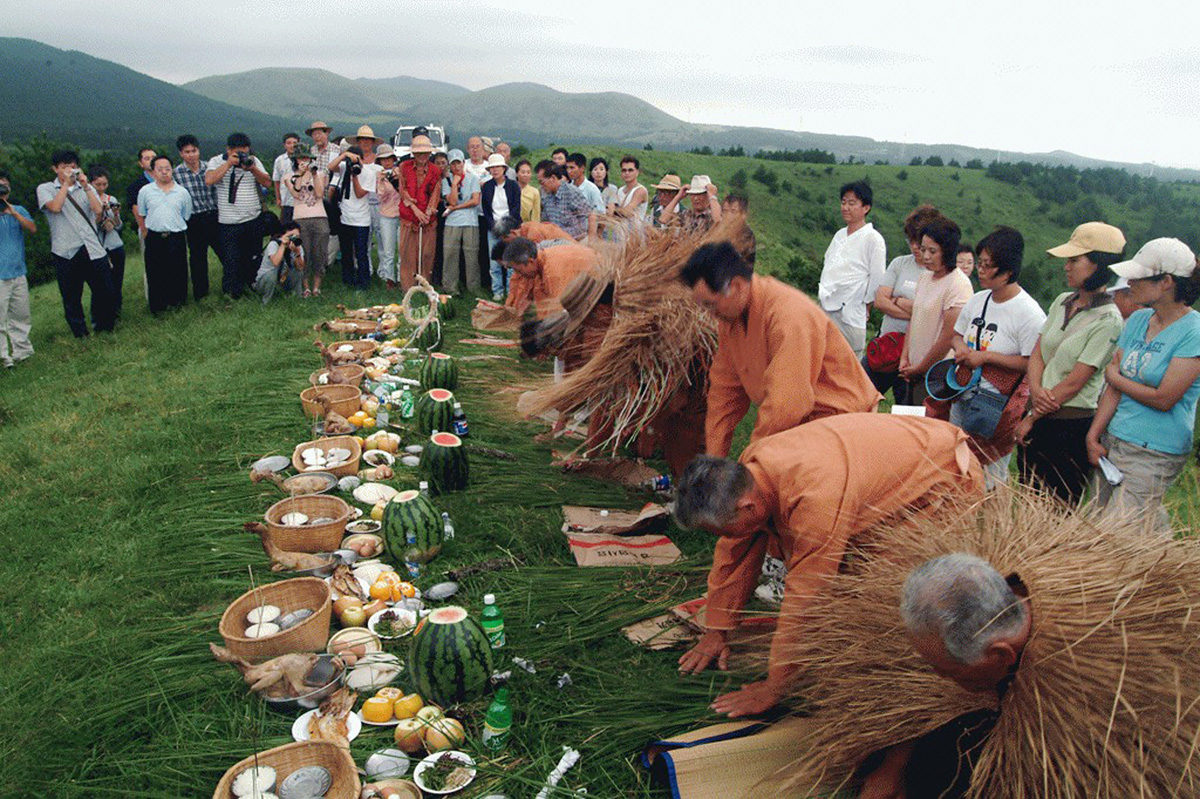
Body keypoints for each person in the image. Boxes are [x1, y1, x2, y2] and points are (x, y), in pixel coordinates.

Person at [770, 490, 1200, 799]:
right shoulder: (997, 600)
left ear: (999, 655)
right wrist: (893, 765)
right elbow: (932, 693)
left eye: (946, 671)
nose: (937, 678)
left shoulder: (1098, 711)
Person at [673, 415, 983, 718]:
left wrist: (776, 685)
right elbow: (735, 550)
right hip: (899, 463)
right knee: (851, 583)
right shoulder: (752, 469)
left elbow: (807, 596)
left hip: (944, 478)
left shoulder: (814, 496)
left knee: (883, 594)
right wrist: (717, 628)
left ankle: (915, 689)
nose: (726, 539)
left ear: (748, 507)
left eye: (725, 530)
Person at [679, 242, 881, 457]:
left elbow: (788, 404)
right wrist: (714, 458)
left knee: (773, 482)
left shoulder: (790, 316)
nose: (709, 314)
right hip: (800, 422)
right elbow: (724, 392)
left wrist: (752, 460)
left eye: (711, 304)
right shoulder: (730, 319)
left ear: (736, 286)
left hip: (840, 420)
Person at [1086, 238, 1200, 534]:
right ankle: (1165, 568)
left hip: (1154, 451)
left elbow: (1164, 398)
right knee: (1094, 523)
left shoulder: (1194, 332)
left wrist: (1117, 378)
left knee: (1113, 536)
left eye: (1138, 277)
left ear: (1166, 282)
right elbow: (1113, 389)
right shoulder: (1138, 320)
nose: (1129, 283)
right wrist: (1095, 435)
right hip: (1115, 440)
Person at [1015, 222, 1125, 504]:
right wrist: (1036, 391)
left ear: (1099, 265)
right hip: (1039, 409)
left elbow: (1076, 381)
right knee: (1028, 496)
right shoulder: (1063, 300)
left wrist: (1032, 417)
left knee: (1057, 504)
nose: (1067, 266)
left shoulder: (1108, 319)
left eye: (1075, 260)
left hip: (1069, 424)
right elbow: (1039, 352)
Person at [946, 226, 1046, 487]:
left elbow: (1030, 362)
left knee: (990, 473)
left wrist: (986, 358)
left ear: (1008, 271)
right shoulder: (979, 300)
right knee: (956, 458)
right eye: (980, 263)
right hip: (963, 392)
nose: (981, 270)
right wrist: (961, 349)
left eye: (988, 266)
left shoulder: (1029, 313)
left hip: (997, 404)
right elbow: (956, 334)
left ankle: (990, 521)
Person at [864, 205, 941, 404]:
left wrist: (896, 300)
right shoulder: (900, 263)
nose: (915, 247)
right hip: (886, 346)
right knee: (859, 395)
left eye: (920, 242)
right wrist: (916, 310)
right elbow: (881, 301)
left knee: (906, 410)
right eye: (911, 240)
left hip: (915, 357)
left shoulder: (940, 275)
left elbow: (937, 316)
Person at [37, 149, 116, 337]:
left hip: (92, 247)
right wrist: (66, 184)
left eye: (73, 166)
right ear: (55, 169)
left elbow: (98, 211)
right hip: (65, 250)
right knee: (72, 295)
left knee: (104, 289)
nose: (70, 170)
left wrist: (87, 186)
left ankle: (104, 327)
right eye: (64, 167)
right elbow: (55, 207)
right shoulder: (45, 188)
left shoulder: (85, 187)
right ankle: (80, 333)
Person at [898, 215, 973, 403]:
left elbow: (949, 336)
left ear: (947, 251)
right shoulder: (925, 277)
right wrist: (905, 357)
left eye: (933, 251)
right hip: (914, 369)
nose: (926, 256)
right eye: (923, 250)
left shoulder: (958, 284)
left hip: (936, 375)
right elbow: (915, 321)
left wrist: (922, 368)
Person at [818, 181, 887, 357]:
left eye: (852, 203)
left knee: (846, 369)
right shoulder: (839, 235)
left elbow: (878, 279)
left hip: (850, 313)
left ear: (866, 207)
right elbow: (828, 265)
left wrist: (866, 306)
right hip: (826, 308)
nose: (845, 207)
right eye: (843, 202)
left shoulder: (873, 239)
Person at [205, 133, 271, 298]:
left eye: (245, 151)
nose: (242, 155)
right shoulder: (216, 161)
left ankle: (253, 286)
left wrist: (252, 168)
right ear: (228, 150)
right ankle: (231, 293)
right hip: (228, 222)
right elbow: (209, 180)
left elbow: (267, 182)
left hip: (252, 219)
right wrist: (228, 164)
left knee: (254, 256)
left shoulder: (253, 160)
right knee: (231, 260)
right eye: (238, 152)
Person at [137, 155, 193, 314]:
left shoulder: (182, 192)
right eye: (160, 169)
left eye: (167, 169)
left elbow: (186, 214)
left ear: (172, 170)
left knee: (178, 271)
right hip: (154, 236)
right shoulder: (145, 191)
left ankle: (178, 304)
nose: (164, 172)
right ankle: (157, 307)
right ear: (153, 172)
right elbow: (142, 212)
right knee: (155, 271)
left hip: (176, 236)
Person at [500, 236, 598, 317]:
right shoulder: (540, 263)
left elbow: (558, 310)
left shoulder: (552, 271)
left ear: (530, 261)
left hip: (599, 282)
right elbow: (533, 296)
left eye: (518, 270)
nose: (519, 274)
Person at [0, 171, 37, 368]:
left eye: (4, 187)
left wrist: (13, 213)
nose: (2, 191)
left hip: (18, 271)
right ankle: (4, 357)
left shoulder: (18, 210)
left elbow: (32, 228)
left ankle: (22, 351)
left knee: (21, 314)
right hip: (0, 275)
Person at [174, 135, 217, 301]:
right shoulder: (177, 174)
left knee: (224, 251)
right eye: (187, 152)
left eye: (194, 151)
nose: (191, 155)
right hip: (194, 219)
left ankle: (233, 286)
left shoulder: (209, 168)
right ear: (181, 154)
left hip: (213, 215)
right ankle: (201, 294)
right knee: (198, 257)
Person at [397, 134, 441, 290]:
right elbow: (403, 192)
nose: (422, 156)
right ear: (413, 154)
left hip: (428, 221)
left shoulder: (435, 170)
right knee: (408, 256)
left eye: (425, 153)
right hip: (409, 218)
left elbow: (435, 193)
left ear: (430, 154)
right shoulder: (404, 167)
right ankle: (408, 290)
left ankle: (424, 288)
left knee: (427, 255)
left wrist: (428, 213)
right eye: (418, 153)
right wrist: (416, 211)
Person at [287, 148, 328, 298]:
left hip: (319, 217)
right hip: (300, 219)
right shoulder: (289, 176)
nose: (304, 161)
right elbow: (296, 193)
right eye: (300, 158)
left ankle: (317, 286)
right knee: (304, 252)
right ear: (296, 160)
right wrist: (300, 174)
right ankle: (305, 286)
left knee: (319, 253)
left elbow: (319, 194)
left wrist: (314, 174)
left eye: (306, 158)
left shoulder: (320, 174)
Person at [86, 167, 126, 317]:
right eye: (98, 184)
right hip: (99, 247)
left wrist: (115, 215)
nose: (102, 188)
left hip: (115, 244)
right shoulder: (88, 201)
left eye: (105, 184)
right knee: (102, 284)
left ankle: (117, 312)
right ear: (91, 184)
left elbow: (119, 225)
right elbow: (88, 226)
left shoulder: (112, 199)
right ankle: (102, 314)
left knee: (117, 281)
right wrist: (101, 214)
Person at [440, 149, 481, 294]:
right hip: (452, 222)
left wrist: (455, 207)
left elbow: (475, 201)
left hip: (470, 222)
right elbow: (451, 200)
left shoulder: (473, 178)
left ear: (464, 163)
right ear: (449, 166)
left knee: (471, 256)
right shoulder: (446, 181)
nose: (457, 167)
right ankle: (450, 288)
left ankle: (473, 288)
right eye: (453, 164)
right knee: (450, 255)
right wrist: (454, 185)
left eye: (459, 163)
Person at [482, 153, 521, 301]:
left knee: (511, 261)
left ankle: (511, 290)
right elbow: (486, 211)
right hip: (493, 229)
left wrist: (507, 229)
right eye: (492, 167)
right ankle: (497, 291)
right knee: (494, 263)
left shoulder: (513, 186)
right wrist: (495, 228)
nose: (495, 170)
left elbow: (516, 209)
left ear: (504, 168)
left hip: (511, 228)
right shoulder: (487, 187)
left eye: (498, 167)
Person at [306, 121, 340, 269]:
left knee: (333, 229)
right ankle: (316, 259)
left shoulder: (336, 151)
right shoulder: (310, 151)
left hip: (331, 197)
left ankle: (329, 260)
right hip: (313, 199)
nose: (317, 136)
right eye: (314, 134)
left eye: (320, 133)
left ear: (327, 134)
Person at [352, 125, 384, 274]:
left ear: (373, 142)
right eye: (362, 140)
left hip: (379, 203)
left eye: (368, 140)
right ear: (358, 142)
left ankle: (384, 271)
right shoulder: (354, 160)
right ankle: (366, 269)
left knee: (382, 238)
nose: (365, 142)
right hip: (360, 204)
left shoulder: (380, 160)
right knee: (363, 240)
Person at [537, 161, 596, 241]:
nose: (541, 186)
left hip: (576, 241)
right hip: (556, 242)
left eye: (542, 182)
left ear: (553, 178)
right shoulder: (546, 196)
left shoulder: (572, 192)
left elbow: (591, 215)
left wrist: (591, 242)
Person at [372, 144, 402, 289]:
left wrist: (396, 179)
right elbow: (380, 197)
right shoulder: (379, 176)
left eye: (389, 158)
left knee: (402, 250)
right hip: (386, 215)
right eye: (383, 159)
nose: (386, 162)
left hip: (402, 215)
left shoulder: (400, 172)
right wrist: (384, 181)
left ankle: (402, 278)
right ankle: (389, 279)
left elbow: (404, 192)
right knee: (388, 250)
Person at [253, 220, 305, 303]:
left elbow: (300, 268)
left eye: (296, 236)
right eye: (291, 235)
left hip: (282, 279)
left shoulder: (297, 247)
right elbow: (275, 262)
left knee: (297, 272)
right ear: (283, 235)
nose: (293, 238)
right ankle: (266, 302)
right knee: (271, 274)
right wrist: (283, 245)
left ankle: (297, 298)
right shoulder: (273, 244)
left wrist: (297, 253)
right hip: (264, 281)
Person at [126, 147, 155, 243]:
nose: (151, 160)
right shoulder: (136, 185)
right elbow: (136, 209)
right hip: (148, 228)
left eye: (153, 157)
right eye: (147, 158)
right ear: (141, 164)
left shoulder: (168, 181)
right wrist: (144, 230)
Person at [272, 132, 300, 225]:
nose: (292, 146)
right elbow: (276, 180)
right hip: (286, 200)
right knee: (285, 228)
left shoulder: (304, 159)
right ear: (284, 145)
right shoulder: (279, 160)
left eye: (295, 143)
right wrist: (278, 198)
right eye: (289, 143)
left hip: (301, 201)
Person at [612, 156, 648, 222]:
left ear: (637, 172)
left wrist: (611, 210)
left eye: (630, 170)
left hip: (634, 231)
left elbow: (627, 212)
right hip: (618, 230)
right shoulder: (620, 190)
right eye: (624, 170)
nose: (627, 173)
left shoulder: (640, 190)